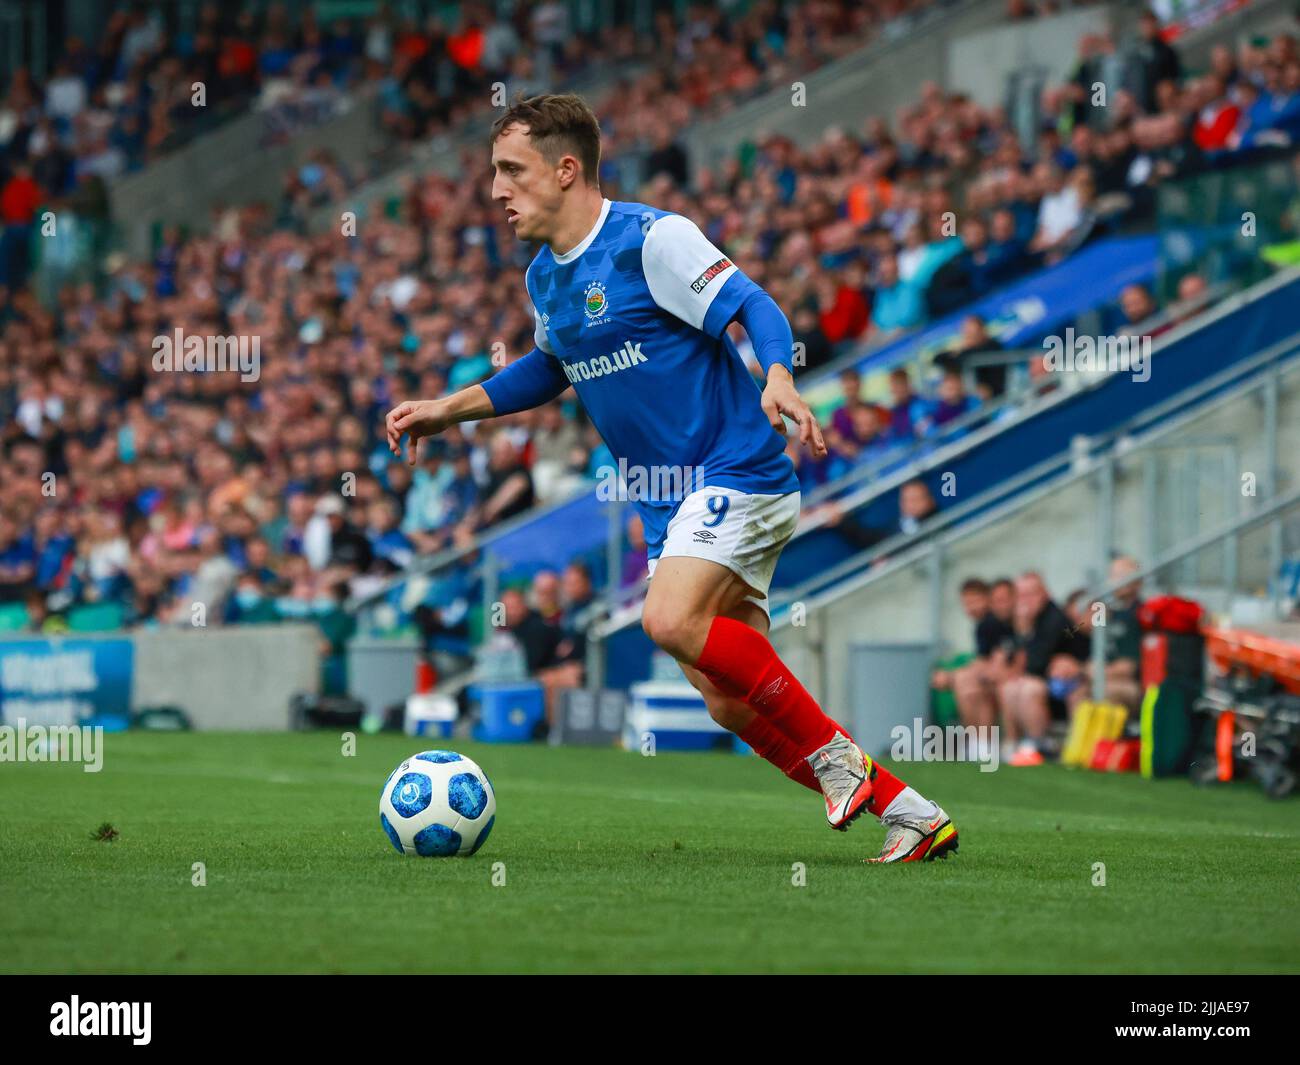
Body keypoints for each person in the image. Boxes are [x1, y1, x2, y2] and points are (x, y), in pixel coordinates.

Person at [385, 93, 957, 863]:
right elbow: (549, 369)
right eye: (495, 173)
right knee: (726, 698)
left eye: (510, 171)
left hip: (736, 468)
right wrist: (447, 410)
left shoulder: (651, 239)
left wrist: (781, 377)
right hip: (668, 506)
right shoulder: (544, 279)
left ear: (565, 169)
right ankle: (911, 812)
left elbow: (751, 302)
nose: (496, 191)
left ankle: (837, 761)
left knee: (667, 620)